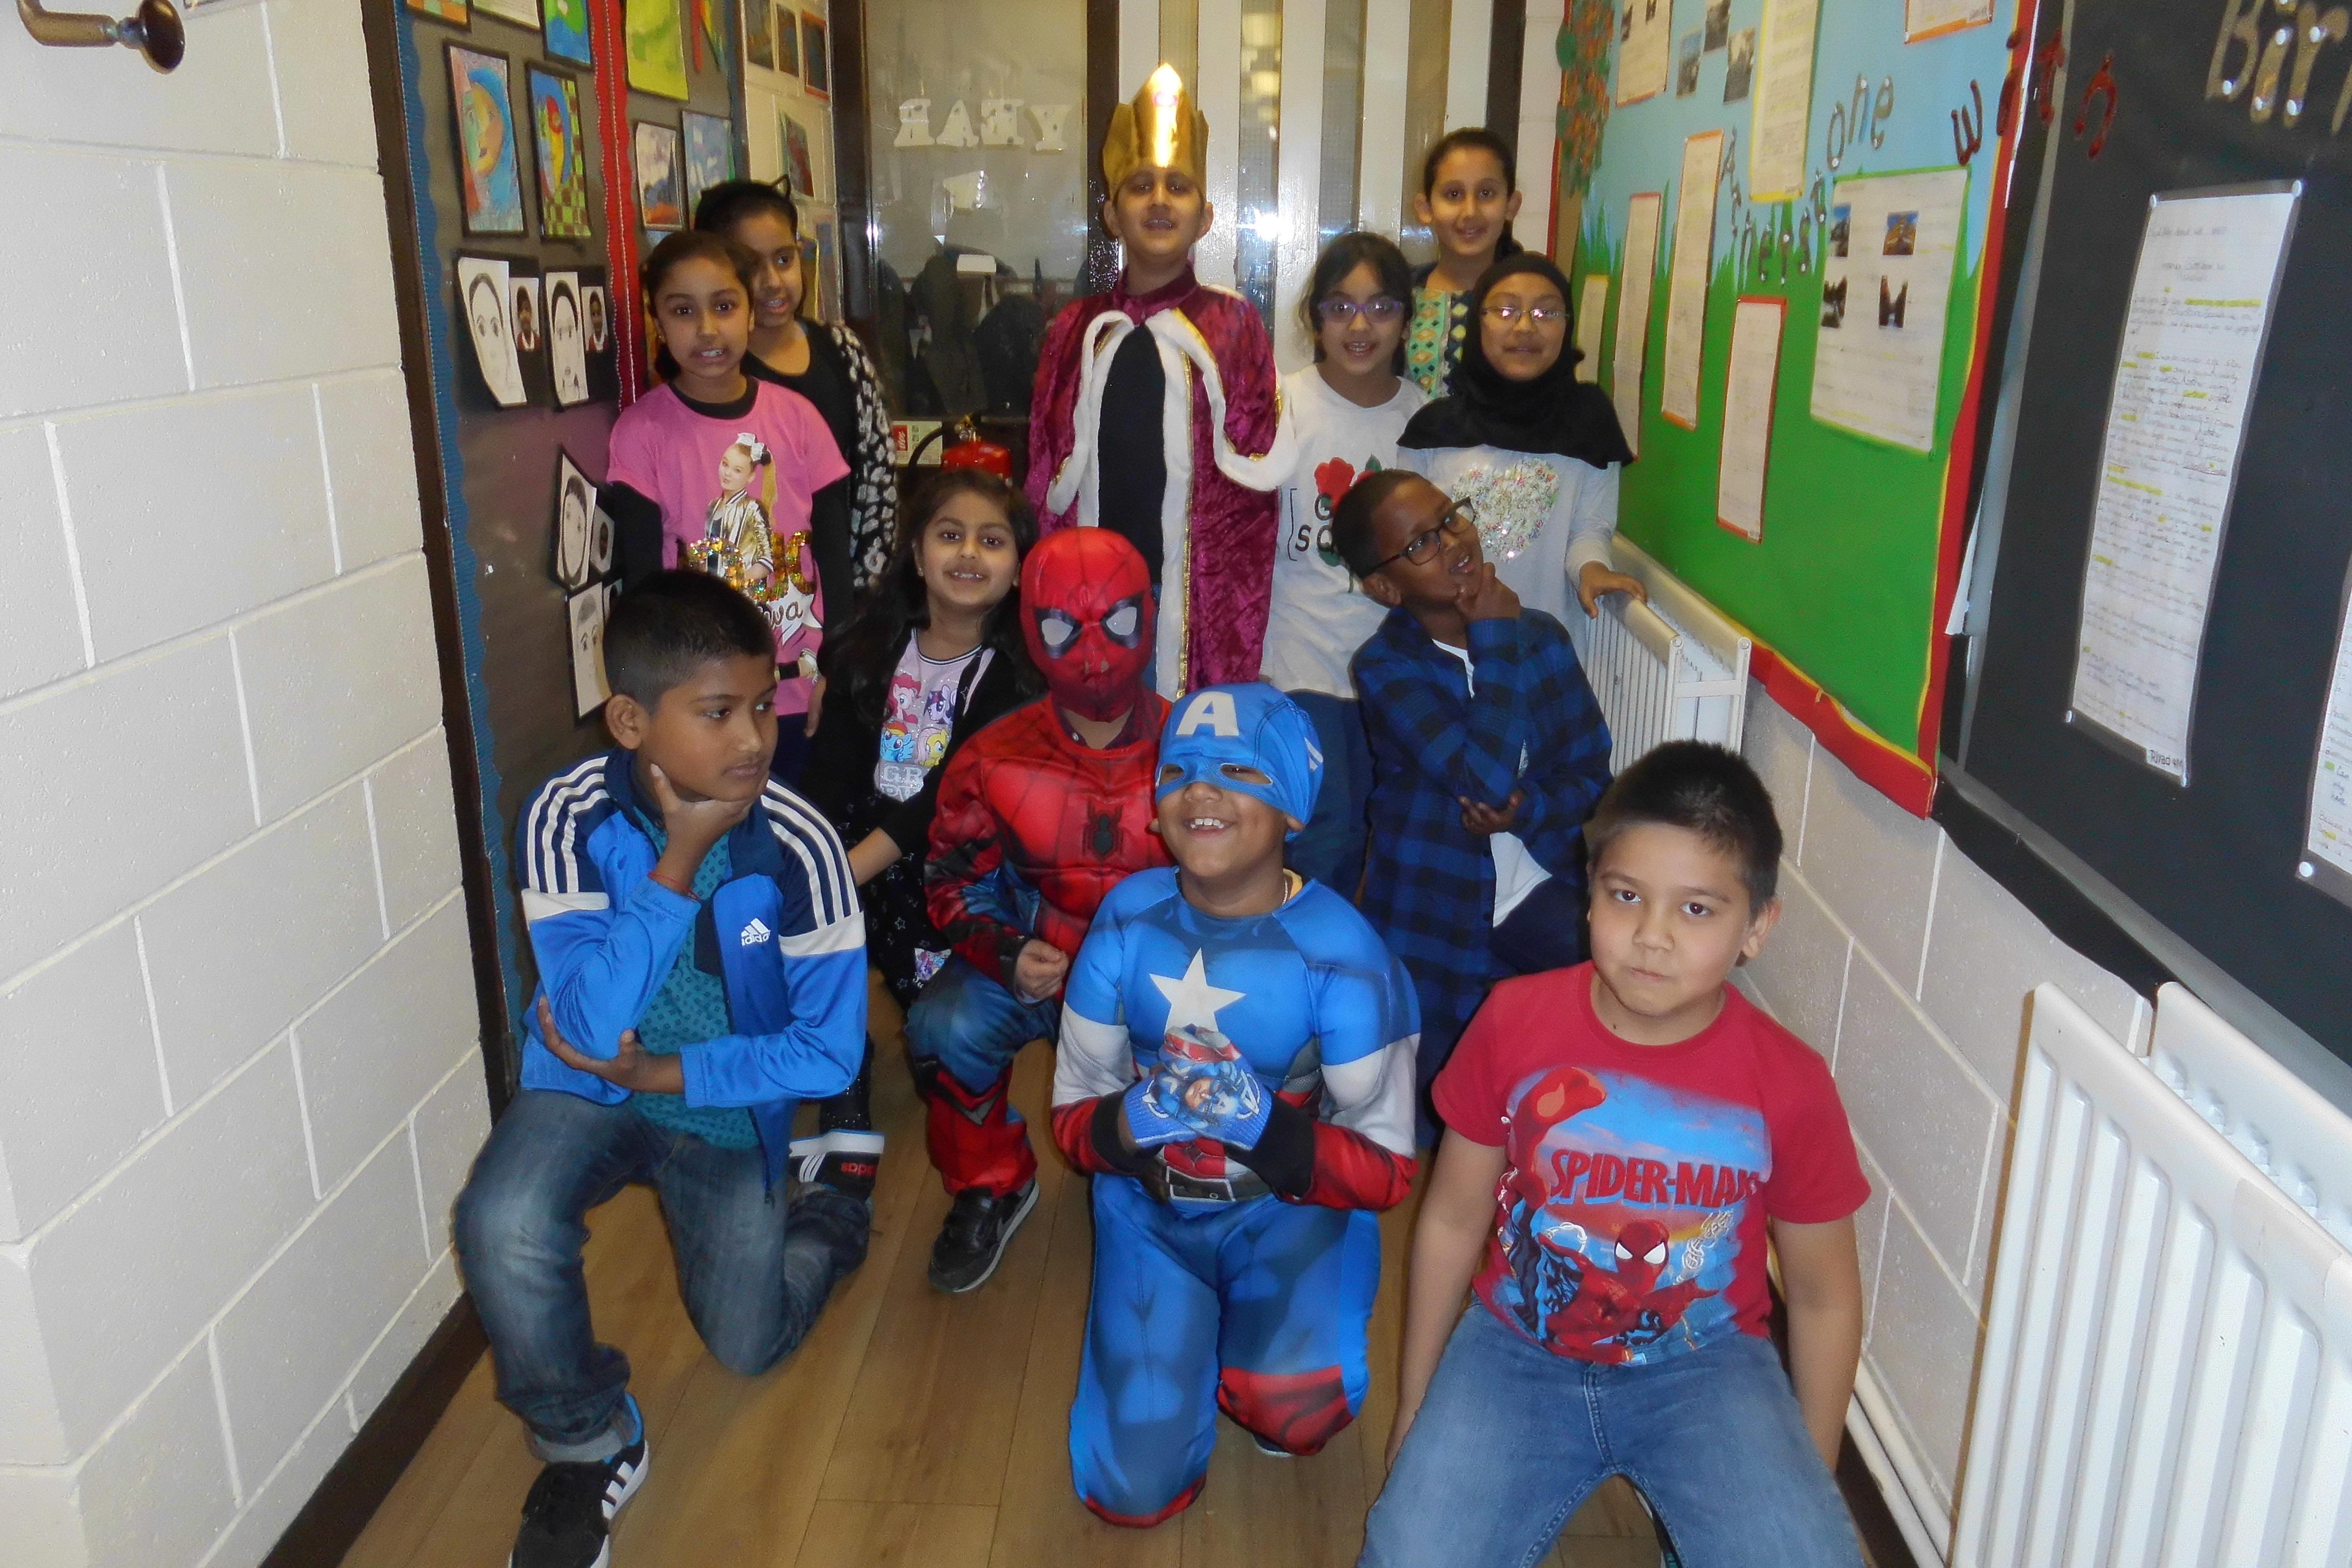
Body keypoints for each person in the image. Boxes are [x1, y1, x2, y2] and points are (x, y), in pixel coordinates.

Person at [1360, 742, 1869, 1568]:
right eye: (1625, 895)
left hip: (1706, 1370)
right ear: (1590, 890)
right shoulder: (1513, 1019)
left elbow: (1821, 1297)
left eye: (1696, 909)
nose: (1651, 937)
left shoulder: (1790, 1081)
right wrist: (1414, 1407)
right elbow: (1452, 1218)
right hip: (1517, 1351)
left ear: (1757, 927)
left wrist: (1808, 1479)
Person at [455, 572, 874, 1568]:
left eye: (763, 705)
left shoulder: (800, 843)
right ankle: (585, 1441)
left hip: (722, 1108)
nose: (753, 739)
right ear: (631, 721)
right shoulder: (566, 817)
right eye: (718, 712)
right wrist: (676, 863)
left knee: (748, 1345)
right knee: (502, 1220)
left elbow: (829, 1051)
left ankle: (833, 1208)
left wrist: (666, 1076)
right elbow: (587, 1028)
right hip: (589, 1091)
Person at [1048, 682, 1420, 1525]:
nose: (1200, 792)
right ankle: (1210, 1326)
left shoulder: (1346, 958)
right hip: (1149, 1209)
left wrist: (1260, 1125)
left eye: (1239, 771)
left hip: (1285, 1209)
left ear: (1294, 805)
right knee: (1127, 1493)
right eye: (1178, 771)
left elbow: (1390, 1171)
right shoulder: (1125, 920)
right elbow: (1073, 1122)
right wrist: (1131, 1121)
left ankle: (1280, 1318)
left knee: (1297, 1413)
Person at [907, 527, 1172, 1291]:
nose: (1094, 655)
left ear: (1149, 613)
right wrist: (1006, 951)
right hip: (1040, 966)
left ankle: (1174, 1170)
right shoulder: (992, 755)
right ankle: (989, 1181)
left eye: (1118, 622)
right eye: (1063, 628)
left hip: (1157, 984)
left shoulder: (1194, 744)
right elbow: (950, 881)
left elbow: (1248, 891)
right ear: (1030, 629)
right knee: (942, 1027)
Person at [1334, 469, 1614, 1124]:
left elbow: (1591, 778)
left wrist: (1527, 810)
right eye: (1421, 543)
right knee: (1436, 1102)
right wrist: (1493, 641)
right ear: (1384, 587)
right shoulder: (1385, 667)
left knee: (1603, 1000)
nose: (1453, 540)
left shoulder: (1541, 638)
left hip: (1541, 883)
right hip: (1438, 903)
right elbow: (1481, 778)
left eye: (1451, 517)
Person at [801, 471, 1045, 1164]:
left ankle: (935, 1046)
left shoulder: (1017, 678)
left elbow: (946, 797)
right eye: (949, 535)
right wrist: (813, 872)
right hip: (861, 844)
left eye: (992, 541)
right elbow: (829, 780)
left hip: (953, 865)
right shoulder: (864, 651)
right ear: (915, 554)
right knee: (800, 933)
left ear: (1020, 568)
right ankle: (842, 1067)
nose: (968, 552)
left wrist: (839, 876)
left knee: (938, 1036)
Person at [1027, 65, 1295, 696]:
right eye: (1140, 186)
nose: (1159, 200)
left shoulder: (1233, 325)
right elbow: (1044, 476)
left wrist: (1231, 617)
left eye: (1178, 187)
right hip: (1091, 594)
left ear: (1206, 217)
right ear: (1111, 214)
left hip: (1195, 598)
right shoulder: (1074, 329)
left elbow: (1254, 493)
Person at [604, 230, 849, 781]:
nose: (707, 330)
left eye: (723, 306)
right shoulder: (641, 433)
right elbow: (644, 584)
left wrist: (838, 670)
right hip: (702, 707)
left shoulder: (799, 417)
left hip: (800, 691)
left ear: (750, 311)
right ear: (657, 322)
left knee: (800, 825)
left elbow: (836, 560)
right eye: (683, 311)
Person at [1264, 231, 1426, 894]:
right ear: (1315, 319)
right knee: (1321, 830)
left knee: (1376, 833)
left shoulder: (1424, 420)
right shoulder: (1281, 405)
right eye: (1340, 307)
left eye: (1381, 308)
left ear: (1406, 321)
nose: (1361, 327)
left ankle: (1354, 953)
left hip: (1392, 661)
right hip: (1297, 654)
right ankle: (1296, 949)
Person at [1398, 253, 1649, 627]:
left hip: (1544, 642)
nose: (1525, 327)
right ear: (1477, 322)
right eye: (1505, 311)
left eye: (1546, 313)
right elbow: (1410, 539)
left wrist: (1593, 569)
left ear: (1567, 325)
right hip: (1443, 642)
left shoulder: (1589, 421)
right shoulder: (1432, 430)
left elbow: (1589, 529)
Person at [696, 178, 898, 611]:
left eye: (784, 259)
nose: (773, 281)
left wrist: (867, 601)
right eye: (752, 266)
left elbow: (877, 483)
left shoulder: (842, 351)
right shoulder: (719, 376)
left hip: (845, 591)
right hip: (757, 600)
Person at [1406, 128, 1522, 399]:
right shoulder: (1398, 298)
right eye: (1454, 195)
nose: (1470, 212)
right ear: (1426, 208)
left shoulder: (1535, 301)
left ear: (1511, 205)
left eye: (1486, 193)